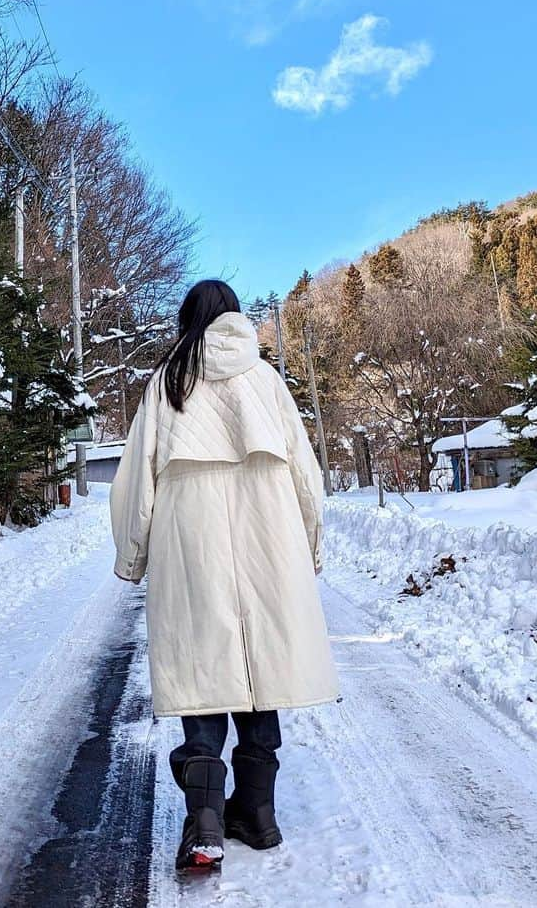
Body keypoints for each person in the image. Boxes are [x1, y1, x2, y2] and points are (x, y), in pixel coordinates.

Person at [110, 279, 340, 874]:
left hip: (191, 544)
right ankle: (258, 815)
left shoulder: (169, 382)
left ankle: (206, 822)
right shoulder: (266, 381)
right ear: (235, 320)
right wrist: (308, 546)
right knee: (259, 668)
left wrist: (133, 557)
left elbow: (135, 482)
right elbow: (307, 478)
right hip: (271, 541)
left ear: (189, 319)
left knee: (204, 666)